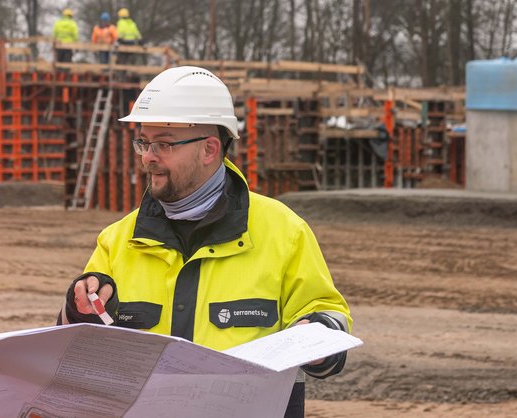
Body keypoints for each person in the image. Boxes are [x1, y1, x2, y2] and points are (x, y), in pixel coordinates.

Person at [58, 66, 352, 418]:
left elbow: (329, 320)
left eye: (163, 144)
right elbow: (76, 346)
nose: (148, 156)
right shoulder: (117, 240)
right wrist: (78, 308)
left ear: (210, 149)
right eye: (144, 142)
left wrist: (317, 335)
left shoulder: (284, 233)